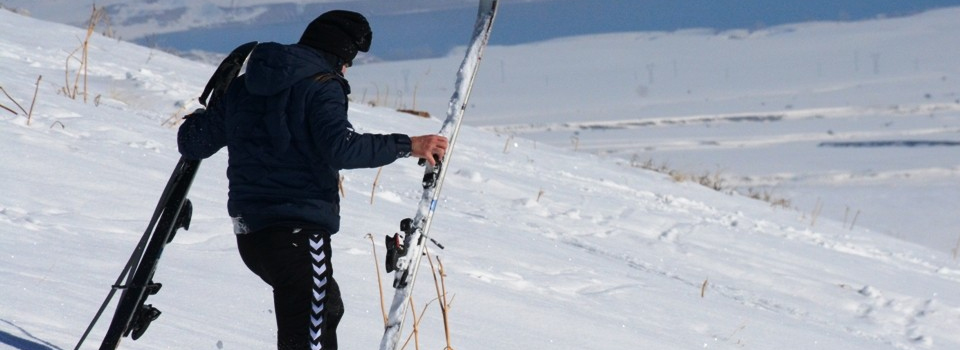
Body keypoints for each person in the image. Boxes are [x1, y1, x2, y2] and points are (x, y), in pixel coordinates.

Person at [177, 10, 448, 350]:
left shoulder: (244, 85)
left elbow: (193, 143)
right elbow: (342, 148)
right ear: (338, 56)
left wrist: (208, 110)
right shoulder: (322, 85)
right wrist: (409, 145)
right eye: (348, 61)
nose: (347, 69)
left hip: (252, 235)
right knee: (311, 326)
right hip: (297, 231)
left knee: (322, 310)